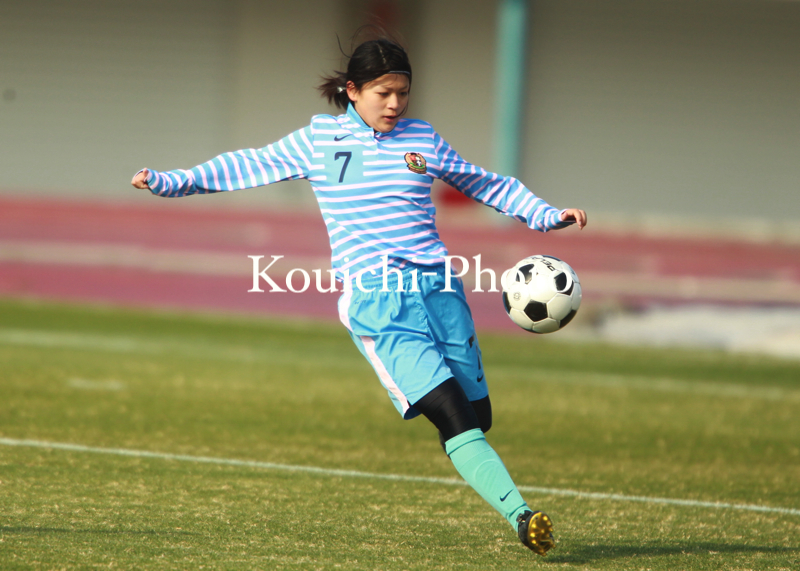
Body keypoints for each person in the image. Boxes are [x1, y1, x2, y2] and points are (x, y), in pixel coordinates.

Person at [131, 36, 586, 556]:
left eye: (404, 94)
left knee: (478, 419)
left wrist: (546, 215)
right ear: (353, 90)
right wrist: (170, 181)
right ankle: (523, 516)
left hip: (440, 293)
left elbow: (485, 182)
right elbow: (245, 165)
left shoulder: (423, 140)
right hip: (378, 304)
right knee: (451, 415)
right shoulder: (319, 140)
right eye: (384, 93)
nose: (395, 104)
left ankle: (485, 464)